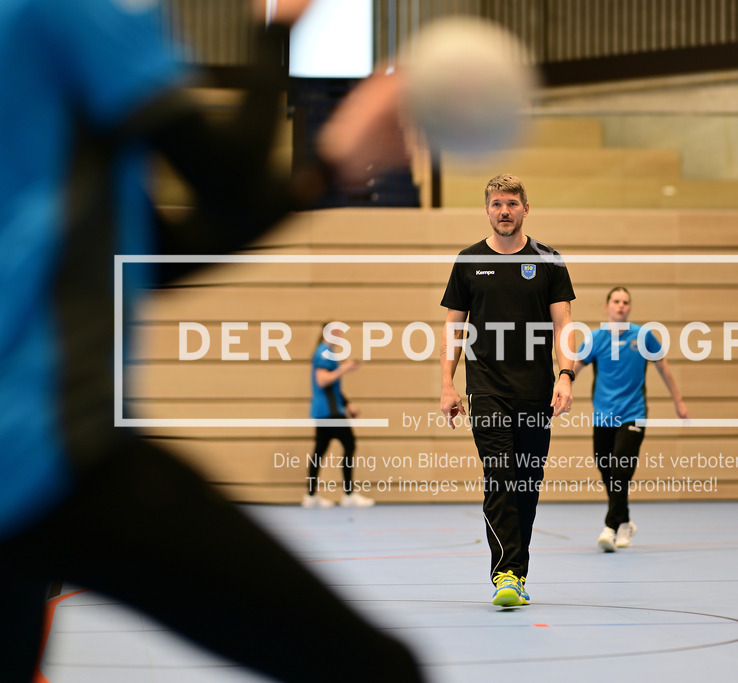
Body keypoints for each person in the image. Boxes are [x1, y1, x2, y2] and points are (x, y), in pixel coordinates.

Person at [0, 1, 420, 681]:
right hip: (49, 453)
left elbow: (165, 255)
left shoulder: (38, 113)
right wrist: (278, 31)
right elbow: (225, 183)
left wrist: (325, 171)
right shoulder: (70, 9)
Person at [439, 173, 576, 606]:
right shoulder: (467, 262)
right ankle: (506, 576)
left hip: (536, 392)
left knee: (527, 485)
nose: (504, 211)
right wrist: (447, 383)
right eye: (497, 204)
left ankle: (518, 570)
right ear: (487, 210)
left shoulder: (549, 261)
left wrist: (566, 374)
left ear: (525, 209)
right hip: (487, 390)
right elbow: (453, 328)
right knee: (500, 477)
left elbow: (564, 327)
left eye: (512, 204)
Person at [573, 286, 689, 552]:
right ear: (607, 307)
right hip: (603, 415)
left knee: (620, 469)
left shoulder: (644, 336)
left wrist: (678, 401)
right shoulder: (595, 339)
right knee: (606, 470)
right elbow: (574, 369)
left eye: (625, 302)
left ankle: (610, 526)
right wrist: (560, 389)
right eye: (616, 301)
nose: (620, 306)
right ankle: (625, 521)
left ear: (629, 307)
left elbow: (664, 368)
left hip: (633, 414)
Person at [305, 328, 374, 507]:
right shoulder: (323, 353)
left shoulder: (327, 353)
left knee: (320, 451)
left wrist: (346, 404)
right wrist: (344, 368)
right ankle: (348, 494)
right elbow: (322, 380)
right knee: (349, 444)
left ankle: (310, 496)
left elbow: (331, 387)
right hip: (329, 412)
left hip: (327, 410)